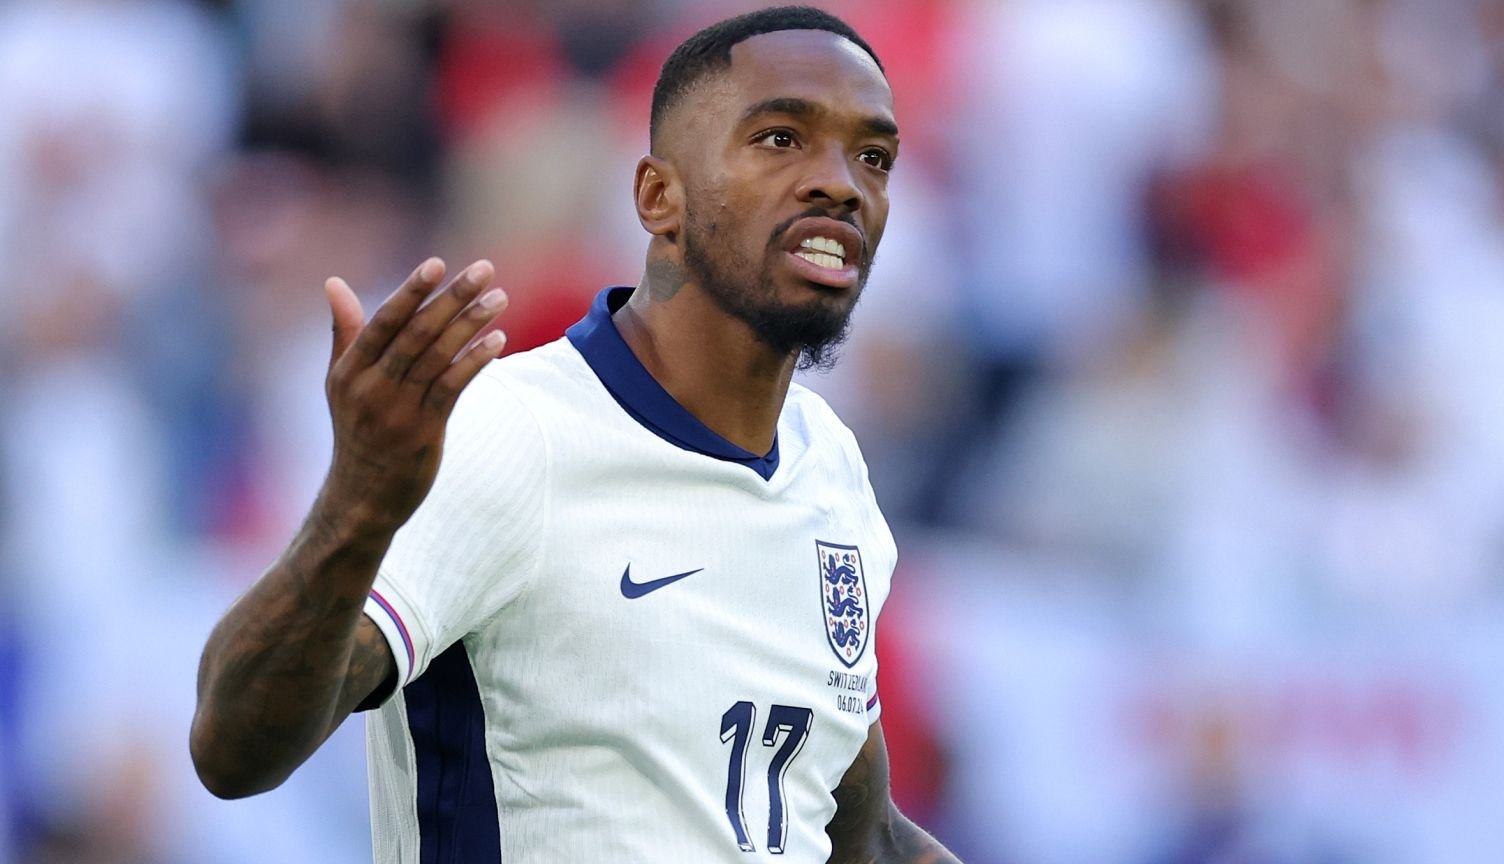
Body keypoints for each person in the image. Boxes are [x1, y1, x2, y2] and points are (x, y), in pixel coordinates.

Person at [189, 6, 962, 862]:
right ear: (657, 197)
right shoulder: (514, 433)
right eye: (781, 139)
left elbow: (861, 835)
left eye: (874, 156)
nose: (841, 183)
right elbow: (234, 749)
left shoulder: (831, 465)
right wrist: (359, 505)